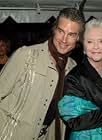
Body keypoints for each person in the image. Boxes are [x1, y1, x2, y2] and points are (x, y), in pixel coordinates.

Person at [0, 7, 85, 140]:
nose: (64, 39)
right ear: (54, 29)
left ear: (78, 37)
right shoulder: (26, 56)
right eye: (61, 31)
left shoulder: (73, 68)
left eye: (71, 34)